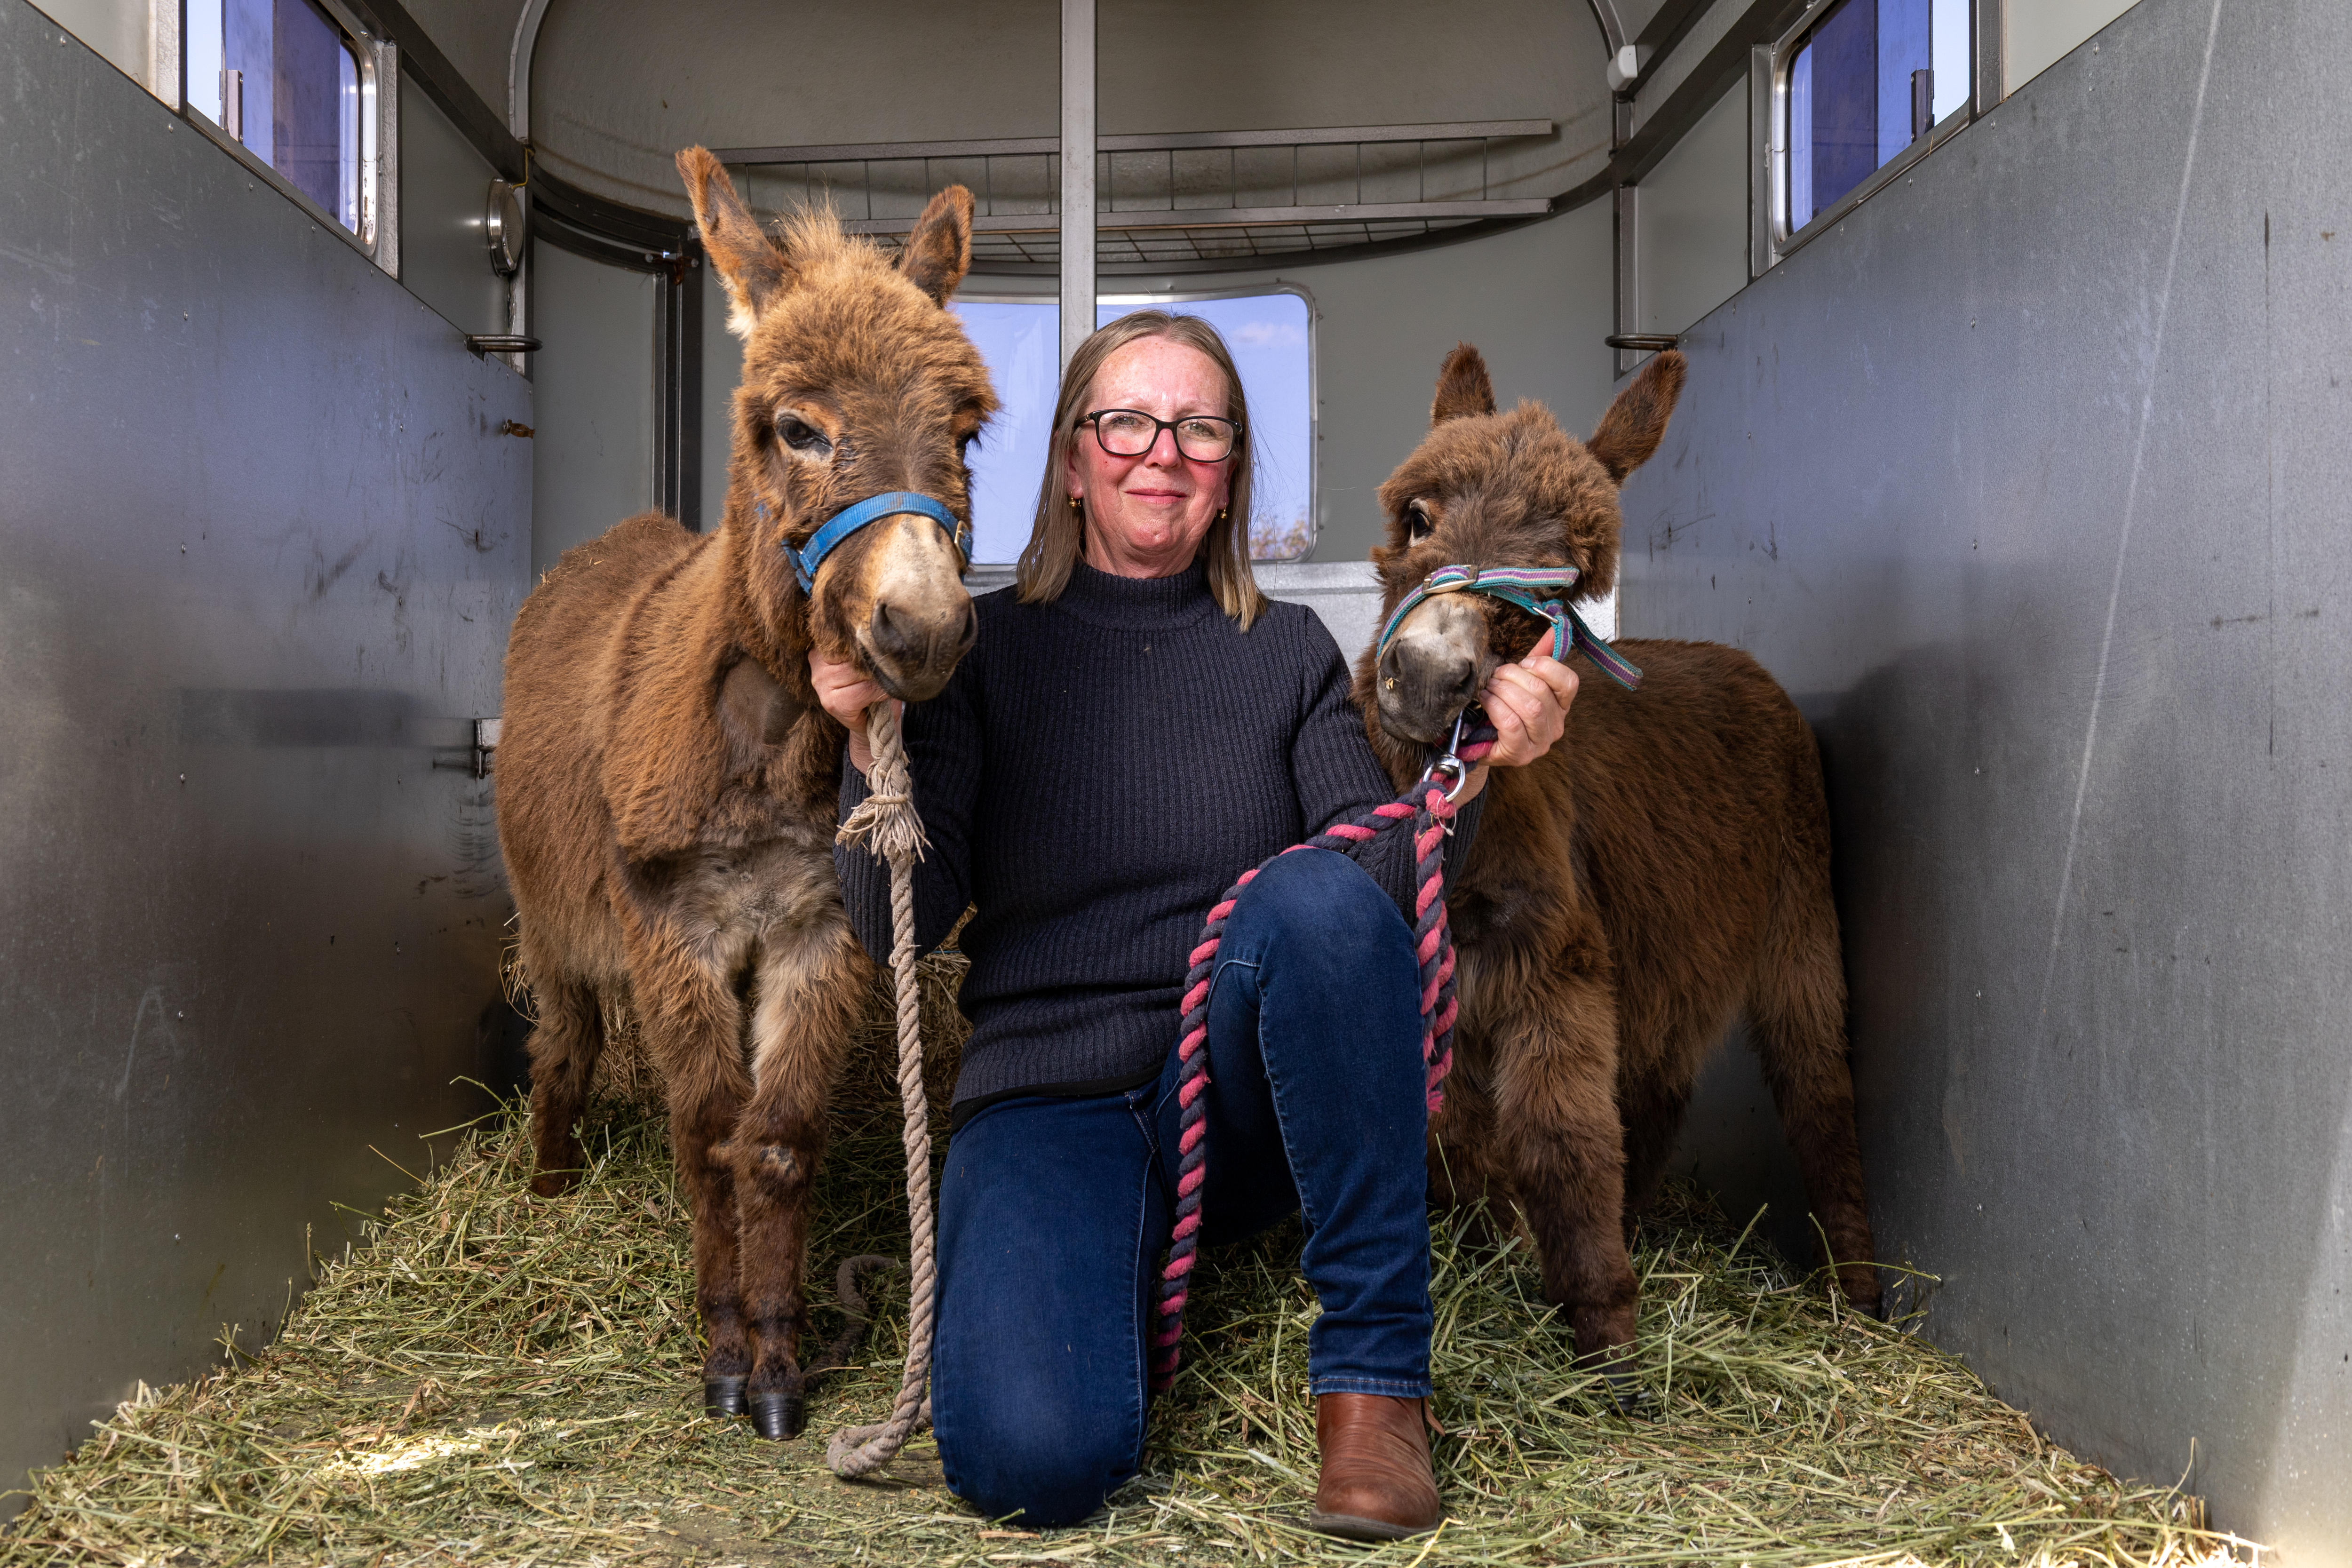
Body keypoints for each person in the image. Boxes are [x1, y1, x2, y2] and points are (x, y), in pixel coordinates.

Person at [813, 311, 1575, 1540]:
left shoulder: (1282, 655)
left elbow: (1374, 894)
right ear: (1072, 460)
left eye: (1201, 427)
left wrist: (1477, 768)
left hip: (1235, 1094)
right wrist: (868, 749)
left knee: (1313, 898)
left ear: (1230, 472)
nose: (1160, 451)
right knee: (1031, 1463)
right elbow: (896, 924)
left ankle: (1377, 1389)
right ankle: (1071, 1278)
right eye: (1126, 421)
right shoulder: (982, 651)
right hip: (1047, 1097)